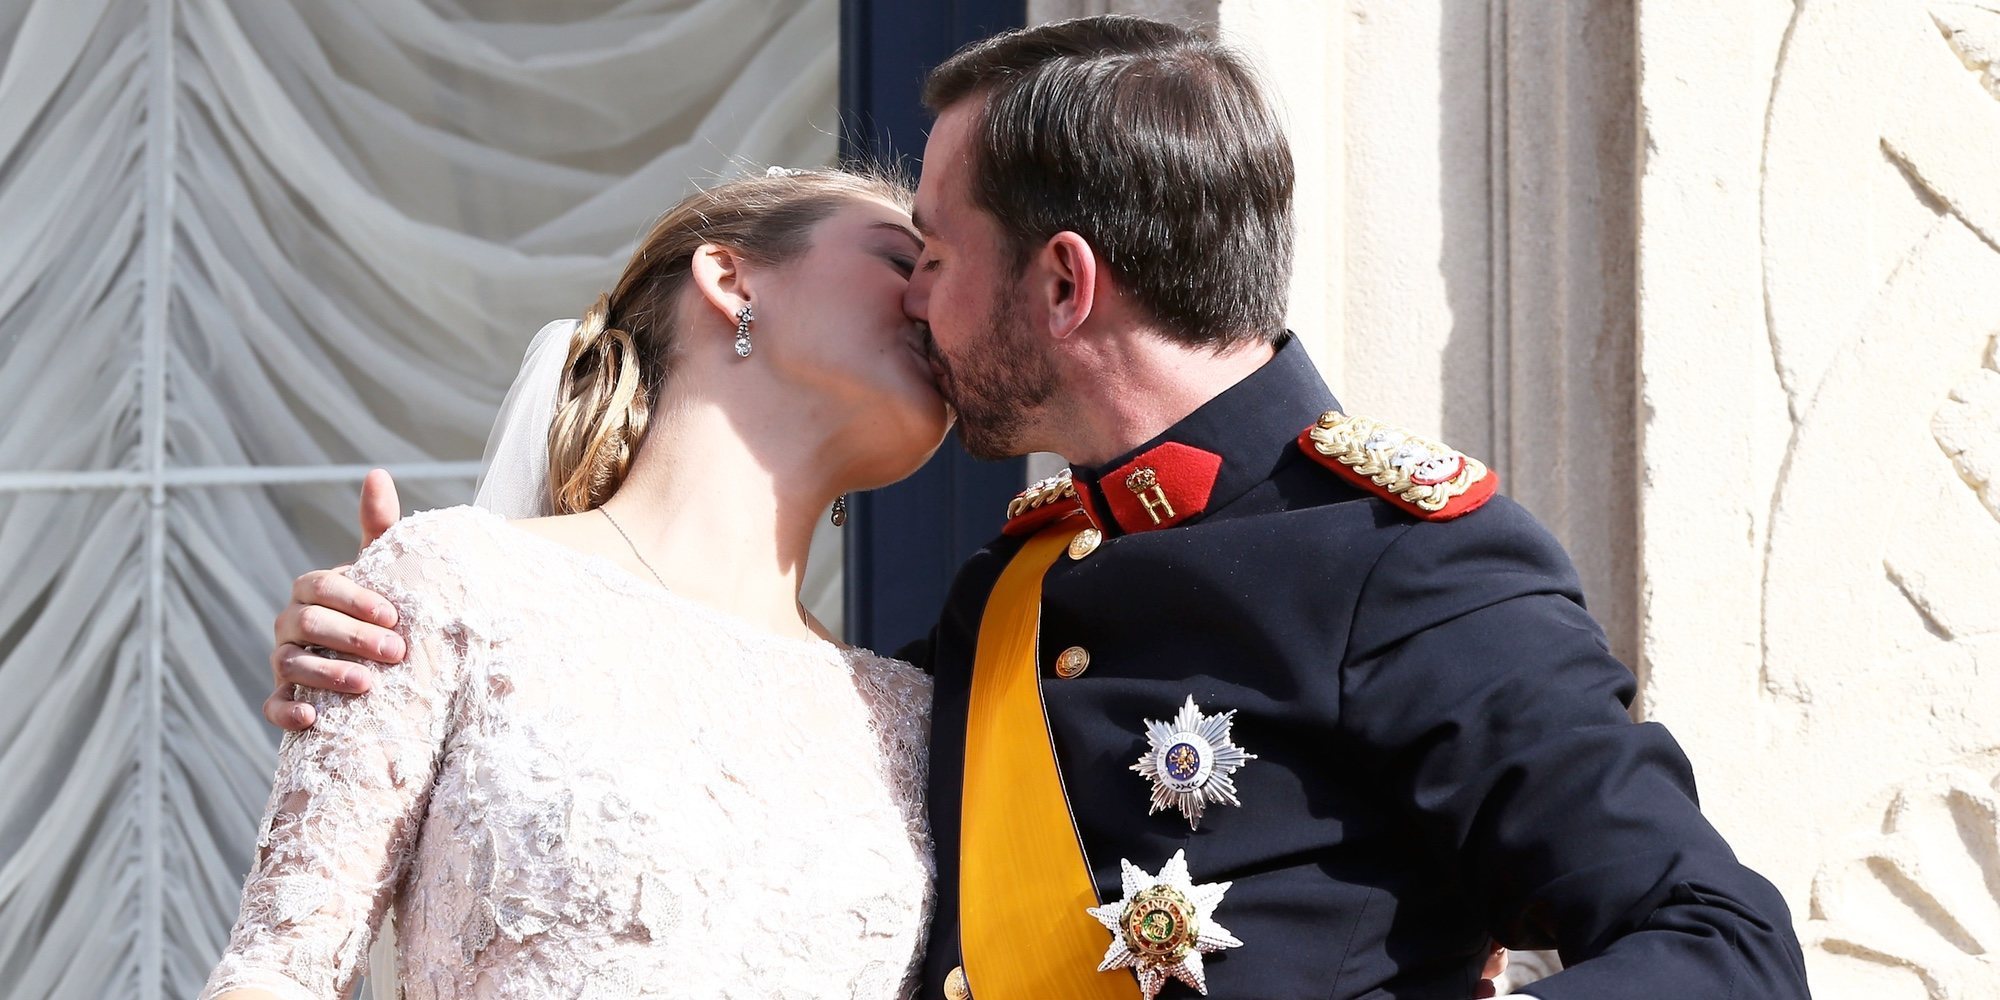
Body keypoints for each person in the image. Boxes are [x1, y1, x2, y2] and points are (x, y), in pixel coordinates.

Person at [260, 15, 1812, 1000]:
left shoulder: (1404, 560)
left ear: (1064, 282)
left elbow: (1722, 945)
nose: (918, 296)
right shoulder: (1000, 601)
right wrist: (415, 668)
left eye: (930, 248)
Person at [201, 168, 947, 999]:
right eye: (900, 260)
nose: (935, 299)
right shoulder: (457, 587)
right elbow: (282, 972)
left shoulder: (916, 719)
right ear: (732, 281)